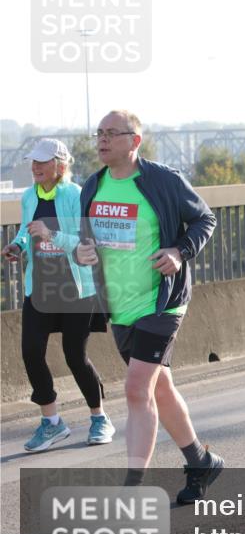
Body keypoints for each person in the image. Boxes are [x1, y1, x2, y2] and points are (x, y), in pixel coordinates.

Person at [74, 110, 223, 503]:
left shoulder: (163, 181)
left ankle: (132, 490)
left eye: (112, 133)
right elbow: (84, 241)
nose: (102, 140)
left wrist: (180, 251)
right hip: (119, 306)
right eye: (99, 133)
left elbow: (204, 219)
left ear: (134, 140)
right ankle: (200, 461)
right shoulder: (93, 185)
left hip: (162, 301)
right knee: (160, 389)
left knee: (137, 388)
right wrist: (83, 251)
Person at [2, 139, 112, 451]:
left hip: (75, 288)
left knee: (75, 356)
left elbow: (84, 241)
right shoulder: (28, 195)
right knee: (31, 353)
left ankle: (99, 418)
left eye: (42, 162)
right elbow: (27, 229)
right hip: (40, 288)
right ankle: (51, 423)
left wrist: (50, 234)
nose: (35, 167)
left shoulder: (75, 195)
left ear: (60, 166)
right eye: (33, 162)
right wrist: (18, 246)